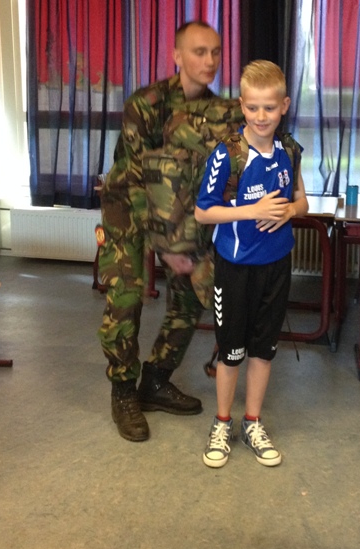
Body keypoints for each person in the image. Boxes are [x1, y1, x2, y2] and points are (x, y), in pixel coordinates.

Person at [98, 22, 222, 442]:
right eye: (199, 51)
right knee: (126, 297)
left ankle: (155, 380)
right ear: (177, 56)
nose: (209, 61)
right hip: (128, 206)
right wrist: (163, 245)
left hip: (182, 211)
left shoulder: (216, 110)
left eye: (215, 52)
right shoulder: (146, 103)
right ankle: (123, 391)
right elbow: (136, 178)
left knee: (193, 293)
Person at [194, 60, 309, 468]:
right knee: (232, 352)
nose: (262, 116)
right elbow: (203, 213)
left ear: (284, 106)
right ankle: (222, 422)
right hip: (235, 268)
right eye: (253, 107)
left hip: (276, 266)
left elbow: (302, 200)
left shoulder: (290, 150)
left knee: (264, 350)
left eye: (270, 108)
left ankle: (253, 422)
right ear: (242, 105)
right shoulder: (227, 155)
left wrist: (288, 211)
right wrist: (252, 210)